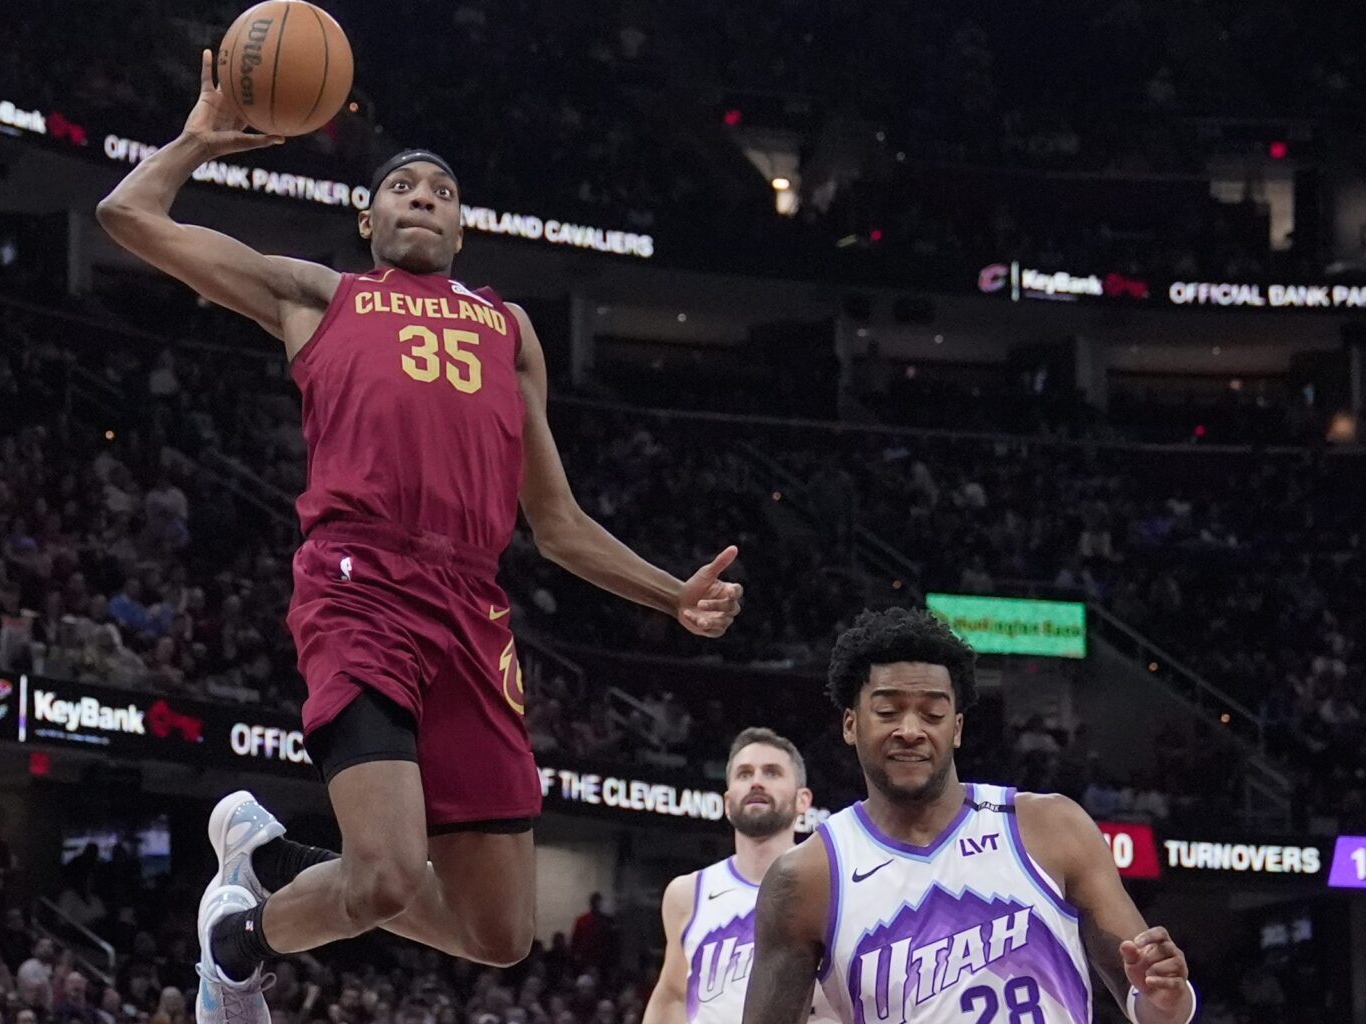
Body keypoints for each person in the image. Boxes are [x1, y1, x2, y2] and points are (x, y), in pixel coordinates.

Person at [97, 37, 747, 1024]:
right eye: (402, 188)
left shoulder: (509, 330)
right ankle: (237, 955)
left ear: (461, 227)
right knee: (392, 874)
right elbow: (127, 216)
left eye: (440, 192)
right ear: (367, 217)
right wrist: (194, 141)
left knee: (499, 932)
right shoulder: (320, 297)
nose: (422, 199)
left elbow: (559, 524)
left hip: (474, 610)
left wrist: (673, 594)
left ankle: (260, 875)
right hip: (359, 586)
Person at [740, 607, 1196, 1024]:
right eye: (887, 711)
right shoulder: (807, 877)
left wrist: (1168, 997)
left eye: (933, 714)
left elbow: (1152, 1006)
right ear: (850, 724)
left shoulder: (1052, 828)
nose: (911, 731)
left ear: (956, 728)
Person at [644, 729, 816, 1024]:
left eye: (772, 773)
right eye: (744, 774)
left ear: (803, 800)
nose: (757, 781)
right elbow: (673, 994)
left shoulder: (830, 889)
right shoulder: (687, 893)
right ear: (727, 802)